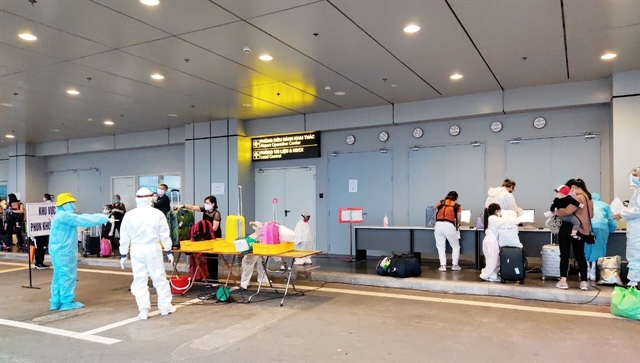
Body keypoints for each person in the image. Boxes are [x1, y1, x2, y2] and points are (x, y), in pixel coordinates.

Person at [119, 187, 175, 320]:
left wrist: (123, 254)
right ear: (151, 198)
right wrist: (168, 251)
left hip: (136, 249)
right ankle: (165, 307)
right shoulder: (158, 214)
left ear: (136, 199)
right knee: (159, 277)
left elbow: (124, 236)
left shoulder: (129, 215)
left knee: (139, 279)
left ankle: (143, 309)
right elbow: (165, 234)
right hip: (153, 248)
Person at [49, 193, 109, 311]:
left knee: (58, 276)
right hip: (65, 252)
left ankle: (55, 301)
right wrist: (103, 218)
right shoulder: (64, 217)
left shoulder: (59, 216)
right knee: (67, 276)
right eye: (70, 203)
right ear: (64, 204)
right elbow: (84, 219)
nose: (72, 205)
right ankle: (67, 302)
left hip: (57, 251)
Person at [555, 178, 593, 291]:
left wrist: (556, 211)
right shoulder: (589, 198)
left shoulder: (577, 198)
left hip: (568, 228)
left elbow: (567, 211)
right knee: (580, 255)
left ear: (573, 187)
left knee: (564, 255)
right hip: (581, 230)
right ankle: (584, 282)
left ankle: (563, 281)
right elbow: (591, 215)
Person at [178, 196, 222, 280]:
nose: (206, 204)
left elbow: (214, 228)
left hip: (214, 236)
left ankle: (214, 278)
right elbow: (192, 207)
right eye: (205, 203)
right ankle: (206, 275)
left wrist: (202, 229)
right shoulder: (204, 209)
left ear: (213, 204)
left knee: (212, 258)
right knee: (205, 257)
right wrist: (183, 206)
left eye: (208, 203)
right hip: (206, 236)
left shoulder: (217, 214)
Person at [613, 166, 640, 287]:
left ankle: (633, 283)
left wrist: (622, 214)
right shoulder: (637, 190)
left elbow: (638, 210)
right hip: (635, 226)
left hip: (637, 228)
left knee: (635, 254)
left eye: (636, 175)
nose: (634, 178)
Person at [480, 203, 520, 282]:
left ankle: (492, 275)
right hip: (491, 241)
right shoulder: (493, 218)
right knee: (493, 260)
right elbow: (506, 220)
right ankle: (485, 275)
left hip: (488, 240)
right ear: (496, 211)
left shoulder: (490, 218)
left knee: (490, 259)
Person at [588, 193, 617, 280]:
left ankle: (586, 270)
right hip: (601, 227)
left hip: (587, 227)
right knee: (599, 247)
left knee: (586, 248)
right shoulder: (604, 205)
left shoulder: (586, 203)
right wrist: (612, 229)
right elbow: (611, 219)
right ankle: (594, 271)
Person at [434, 191, 462, 272]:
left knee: (440, 247)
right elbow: (459, 219)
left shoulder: (440, 202)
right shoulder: (457, 206)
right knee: (456, 246)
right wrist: (457, 223)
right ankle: (455, 265)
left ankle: (443, 266)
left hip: (438, 225)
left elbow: (435, 211)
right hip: (449, 225)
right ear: (456, 198)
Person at [240, 221, 269, 290]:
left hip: (257, 247)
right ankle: (263, 280)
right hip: (263, 247)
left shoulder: (254, 236)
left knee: (248, 264)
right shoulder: (267, 236)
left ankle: (244, 283)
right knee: (262, 264)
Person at [34, 193, 54, 269]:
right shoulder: (52, 206)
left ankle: (37, 262)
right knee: (42, 247)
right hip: (45, 230)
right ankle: (40, 263)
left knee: (38, 247)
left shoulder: (39, 206)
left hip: (37, 230)